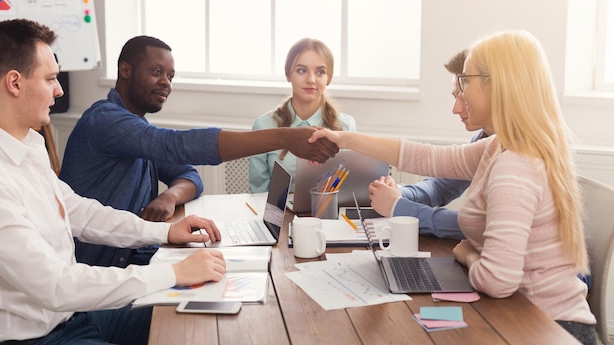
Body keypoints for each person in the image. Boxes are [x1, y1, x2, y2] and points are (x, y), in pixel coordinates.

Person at [310, 30, 597, 345]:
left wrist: (469, 256)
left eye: (465, 83)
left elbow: (498, 281)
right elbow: (429, 157)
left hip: (545, 327)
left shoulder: (515, 165)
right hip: (523, 316)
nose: (458, 100)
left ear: (497, 84)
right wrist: (346, 139)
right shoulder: (501, 146)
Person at [0, 18, 228, 344]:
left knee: (199, 318)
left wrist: (165, 231)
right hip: (37, 337)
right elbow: (55, 285)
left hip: (76, 316)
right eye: (51, 79)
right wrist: (172, 272)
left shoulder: (29, 146)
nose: (59, 90)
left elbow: (78, 211)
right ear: (14, 83)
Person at [59, 35, 339, 268]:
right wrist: (284, 137)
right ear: (125, 70)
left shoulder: (135, 129)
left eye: (170, 76)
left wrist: (170, 195)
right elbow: (176, 146)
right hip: (100, 267)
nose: (166, 83)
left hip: (136, 253)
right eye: (156, 72)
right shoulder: (106, 121)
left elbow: (188, 174)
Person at [368, 50, 492, 240]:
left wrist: (398, 207)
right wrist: (398, 192)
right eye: (455, 97)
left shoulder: (513, 154)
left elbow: (476, 227)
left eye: (464, 98)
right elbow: (442, 186)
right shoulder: (484, 138)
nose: (456, 109)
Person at [249, 37, 355, 193]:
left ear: (328, 78)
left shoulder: (345, 126)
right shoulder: (263, 126)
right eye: (301, 70)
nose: (311, 80)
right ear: (288, 74)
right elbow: (258, 193)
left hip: (328, 215)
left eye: (320, 72)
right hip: (280, 216)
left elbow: (346, 189)